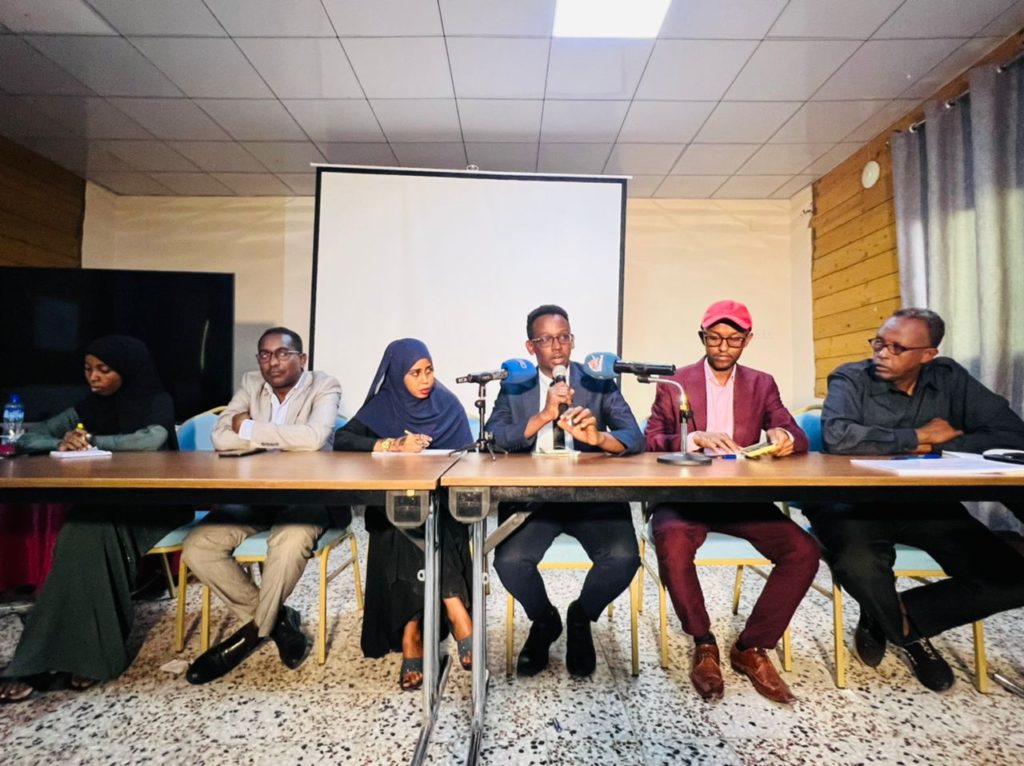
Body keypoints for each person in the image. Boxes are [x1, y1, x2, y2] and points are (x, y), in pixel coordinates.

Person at [805, 307, 1024, 692]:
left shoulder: (949, 377)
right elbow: (839, 437)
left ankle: (896, 616)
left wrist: (946, 443)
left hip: (927, 504)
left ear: (927, 355)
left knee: (1015, 576)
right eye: (879, 343)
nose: (882, 354)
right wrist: (921, 437)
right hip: (852, 503)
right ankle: (913, 640)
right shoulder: (850, 377)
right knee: (859, 566)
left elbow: (1009, 434)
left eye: (896, 348)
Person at [645, 300, 818, 703]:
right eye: (715, 337)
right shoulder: (675, 383)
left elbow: (796, 434)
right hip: (684, 496)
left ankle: (751, 648)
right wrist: (694, 438)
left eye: (734, 339)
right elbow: (650, 441)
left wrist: (784, 438)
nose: (724, 346)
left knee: (803, 550)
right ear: (702, 337)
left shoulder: (762, 383)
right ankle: (703, 642)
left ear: (747, 340)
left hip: (741, 497)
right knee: (672, 544)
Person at [0, 335, 189, 704]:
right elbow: (27, 437)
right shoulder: (87, 406)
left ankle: (43, 660)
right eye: (88, 369)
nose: (94, 377)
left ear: (128, 370)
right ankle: (87, 657)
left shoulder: (156, 400)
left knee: (88, 530)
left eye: (104, 369)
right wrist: (60, 443)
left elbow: (151, 441)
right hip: (107, 502)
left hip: (155, 505)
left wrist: (93, 441)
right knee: (81, 530)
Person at [486, 304, 643, 678]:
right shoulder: (515, 384)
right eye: (547, 339)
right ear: (530, 347)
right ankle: (545, 621)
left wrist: (600, 438)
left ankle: (579, 617)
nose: (557, 346)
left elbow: (635, 437)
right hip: (535, 496)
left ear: (572, 341)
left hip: (591, 496)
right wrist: (542, 415)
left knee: (623, 558)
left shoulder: (596, 381)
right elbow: (492, 437)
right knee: (509, 562)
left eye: (564, 337)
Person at [182, 327, 343, 685]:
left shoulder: (324, 385)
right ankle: (279, 622)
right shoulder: (250, 382)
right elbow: (220, 436)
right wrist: (280, 437)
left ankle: (247, 638)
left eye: (283, 354)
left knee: (287, 546)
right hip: (254, 496)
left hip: (308, 497)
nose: (273, 362)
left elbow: (315, 438)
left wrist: (251, 428)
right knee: (197, 547)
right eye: (265, 354)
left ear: (301, 359)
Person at [333, 338, 474, 691]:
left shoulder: (448, 404)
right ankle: (452, 613)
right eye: (415, 373)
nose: (425, 380)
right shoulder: (383, 406)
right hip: (395, 506)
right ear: (397, 375)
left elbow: (469, 456)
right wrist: (392, 445)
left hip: (443, 506)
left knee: (418, 521)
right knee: (401, 518)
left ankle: (415, 633)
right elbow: (344, 440)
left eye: (429, 371)